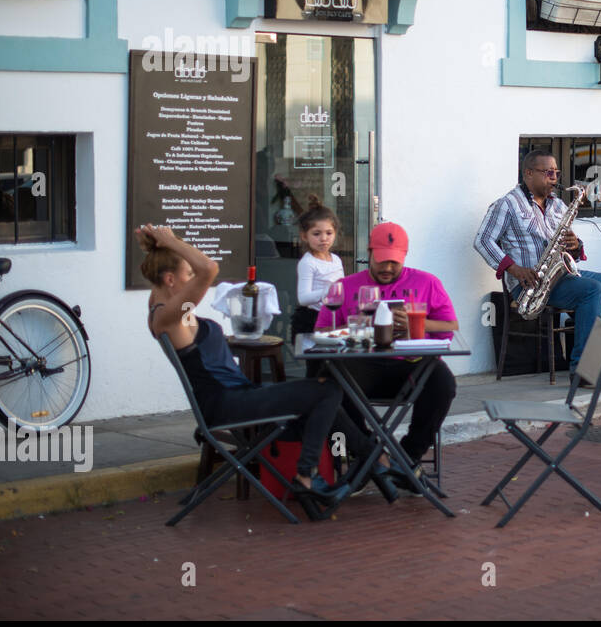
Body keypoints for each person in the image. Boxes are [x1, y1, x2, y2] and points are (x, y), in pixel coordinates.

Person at [137, 224, 401, 519]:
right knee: (327, 389)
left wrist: (160, 245)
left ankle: (373, 459)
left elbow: (190, 274)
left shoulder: (165, 307)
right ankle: (312, 475)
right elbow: (209, 269)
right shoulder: (171, 315)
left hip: (236, 396)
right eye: (187, 276)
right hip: (228, 403)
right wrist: (171, 242)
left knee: (325, 396)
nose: (192, 282)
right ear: (171, 280)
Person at [474, 149, 601, 383]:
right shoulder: (507, 204)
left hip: (561, 276)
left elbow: (572, 252)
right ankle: (582, 368)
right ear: (528, 173)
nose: (554, 178)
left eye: (556, 173)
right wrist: (514, 269)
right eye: (548, 172)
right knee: (593, 290)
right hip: (531, 285)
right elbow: (482, 240)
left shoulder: (559, 205)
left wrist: (575, 245)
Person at [315, 221, 458, 470]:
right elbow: (321, 331)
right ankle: (368, 454)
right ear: (369, 254)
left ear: (404, 257)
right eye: (381, 260)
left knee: (443, 381)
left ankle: (407, 457)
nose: (388, 267)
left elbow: (451, 326)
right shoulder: (344, 286)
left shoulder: (427, 283)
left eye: (394, 261)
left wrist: (419, 324)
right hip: (362, 368)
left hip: (410, 369)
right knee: (328, 381)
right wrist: (352, 329)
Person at [292, 196, 342, 340]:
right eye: (316, 234)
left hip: (333, 317)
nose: (324, 238)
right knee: (315, 360)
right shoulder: (308, 262)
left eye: (329, 233)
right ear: (304, 236)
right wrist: (328, 291)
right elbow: (303, 298)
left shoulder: (336, 260)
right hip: (312, 319)